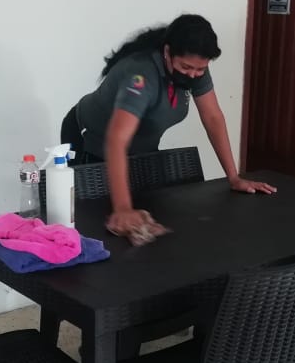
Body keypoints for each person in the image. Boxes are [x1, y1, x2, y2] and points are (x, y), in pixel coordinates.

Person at [61, 14, 275, 235]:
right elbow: (117, 139)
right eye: (186, 67)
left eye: (200, 69)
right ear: (167, 52)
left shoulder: (195, 68)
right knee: (96, 222)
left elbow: (213, 117)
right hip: (89, 138)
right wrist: (123, 208)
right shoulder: (140, 75)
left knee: (146, 219)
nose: (193, 74)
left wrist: (234, 178)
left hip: (139, 145)